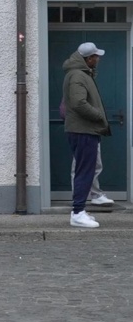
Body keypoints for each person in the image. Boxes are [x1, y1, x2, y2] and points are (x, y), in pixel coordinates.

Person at [63, 42, 110, 229]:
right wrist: (99, 116)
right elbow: (79, 103)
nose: (98, 59)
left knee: (86, 170)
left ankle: (80, 210)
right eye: (95, 56)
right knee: (85, 171)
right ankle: (77, 213)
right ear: (88, 59)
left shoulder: (81, 74)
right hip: (83, 130)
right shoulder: (77, 76)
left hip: (83, 129)